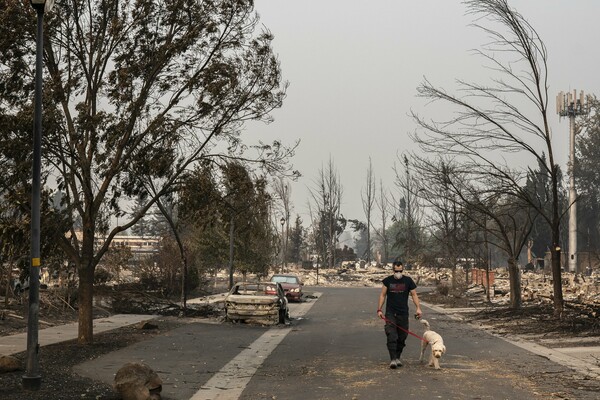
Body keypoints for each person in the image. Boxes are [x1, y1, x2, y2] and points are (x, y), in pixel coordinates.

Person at [376, 259, 422, 369]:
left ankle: (397, 357)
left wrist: (418, 308)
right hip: (391, 313)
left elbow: (414, 295)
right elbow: (382, 295)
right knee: (391, 335)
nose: (398, 273)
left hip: (403, 313)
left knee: (402, 337)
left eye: (400, 271)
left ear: (402, 269)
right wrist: (379, 309)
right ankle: (392, 359)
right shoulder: (387, 281)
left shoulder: (408, 281)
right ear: (393, 270)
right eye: (396, 271)